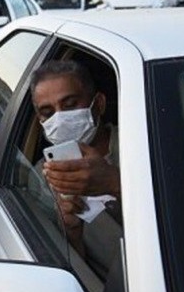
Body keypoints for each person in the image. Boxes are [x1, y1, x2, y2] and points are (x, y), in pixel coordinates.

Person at [30, 60, 120, 265]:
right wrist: (72, 231)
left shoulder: (143, 139)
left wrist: (115, 182)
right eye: (47, 113)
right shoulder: (43, 176)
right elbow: (66, 271)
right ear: (40, 122)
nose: (59, 119)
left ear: (98, 104)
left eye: (70, 105)